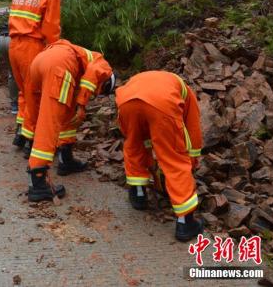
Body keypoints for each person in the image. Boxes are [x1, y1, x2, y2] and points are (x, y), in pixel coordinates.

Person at [115, 70, 204, 242]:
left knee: (134, 145)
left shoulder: (145, 78)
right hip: (161, 103)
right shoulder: (186, 93)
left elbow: (145, 138)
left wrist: (152, 162)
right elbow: (193, 130)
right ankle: (185, 222)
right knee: (174, 159)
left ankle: (138, 193)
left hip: (125, 102)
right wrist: (191, 160)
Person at [22, 39, 114, 202]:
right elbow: (94, 72)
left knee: (64, 114)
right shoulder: (103, 66)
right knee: (48, 125)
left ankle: (66, 159)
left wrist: (77, 104)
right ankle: (38, 182)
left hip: (39, 62)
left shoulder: (79, 65)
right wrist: (82, 103)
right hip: (58, 66)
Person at [8, 0, 77, 153]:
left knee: (24, 91)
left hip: (14, 47)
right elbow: (51, 32)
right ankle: (33, 143)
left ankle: (21, 133)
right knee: (36, 96)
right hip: (32, 48)